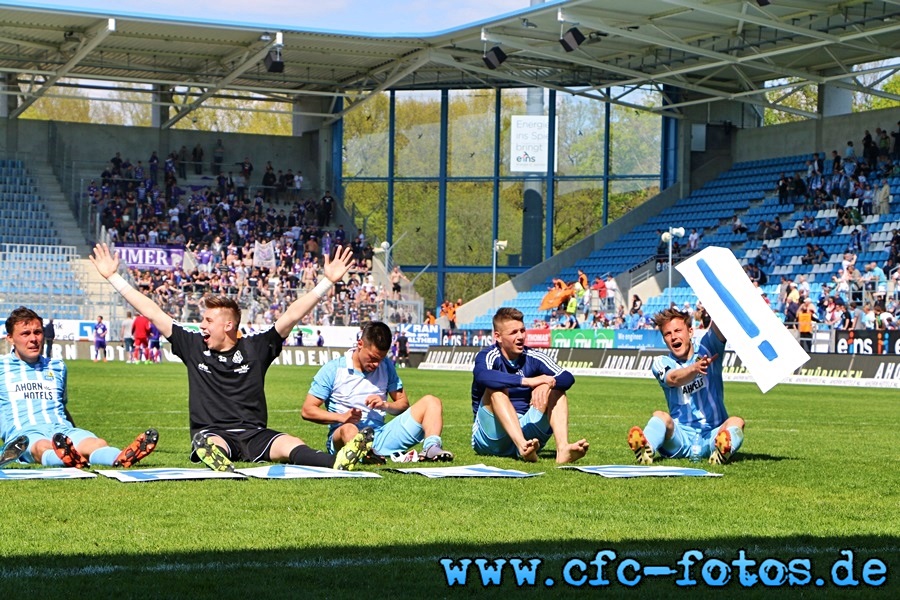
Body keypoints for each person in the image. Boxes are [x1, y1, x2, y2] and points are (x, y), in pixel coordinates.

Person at [89, 242, 370, 472]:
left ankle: (336, 462)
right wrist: (113, 277)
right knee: (208, 442)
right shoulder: (192, 345)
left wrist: (326, 283)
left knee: (290, 443)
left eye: (208, 320)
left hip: (255, 433)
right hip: (213, 433)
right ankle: (219, 461)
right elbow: (152, 312)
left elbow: (292, 314)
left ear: (228, 326)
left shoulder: (256, 348)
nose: (201, 325)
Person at [0, 307, 158, 468]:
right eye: (25, 334)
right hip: (25, 434)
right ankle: (65, 458)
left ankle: (119, 457)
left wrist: (73, 435)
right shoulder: (1, 367)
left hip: (62, 430)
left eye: (38, 332)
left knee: (96, 443)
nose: (33, 339)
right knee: (42, 447)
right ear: (10, 338)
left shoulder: (57, 366)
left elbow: (62, 406)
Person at [302, 321, 452, 463]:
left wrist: (385, 405)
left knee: (431, 402)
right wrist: (342, 417)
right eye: (373, 358)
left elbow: (403, 404)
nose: (376, 364)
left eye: (381, 359)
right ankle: (365, 452)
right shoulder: (333, 369)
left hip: (380, 435)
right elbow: (308, 410)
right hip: (343, 435)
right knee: (349, 429)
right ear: (360, 344)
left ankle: (431, 448)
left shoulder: (386, 366)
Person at [470, 307, 589, 463]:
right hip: (490, 437)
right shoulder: (488, 355)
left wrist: (547, 384)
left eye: (522, 330)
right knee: (496, 390)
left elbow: (567, 377)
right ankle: (522, 448)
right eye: (513, 333)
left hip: (527, 429)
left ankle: (563, 449)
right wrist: (529, 381)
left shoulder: (533, 356)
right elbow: (482, 376)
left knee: (558, 390)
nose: (520, 337)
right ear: (498, 337)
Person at [627, 307, 744, 465]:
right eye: (668, 334)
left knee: (737, 421)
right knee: (660, 416)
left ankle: (722, 450)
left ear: (690, 331)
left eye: (677, 330)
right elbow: (673, 379)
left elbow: (722, 320)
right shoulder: (661, 362)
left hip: (713, 433)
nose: (673, 337)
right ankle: (646, 447)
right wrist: (694, 369)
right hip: (680, 436)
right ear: (664, 339)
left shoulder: (708, 348)